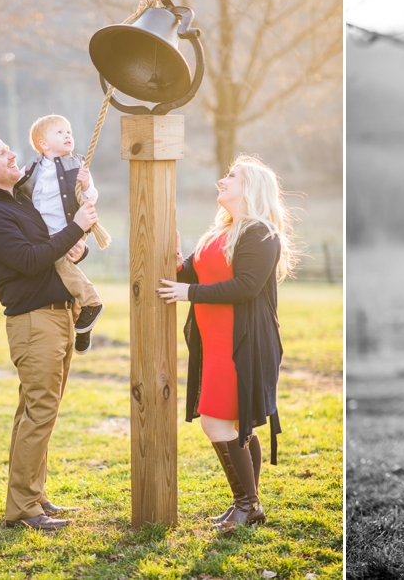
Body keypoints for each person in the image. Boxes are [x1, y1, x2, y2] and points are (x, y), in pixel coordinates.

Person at [0, 129, 98, 531]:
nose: (14, 155)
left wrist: (78, 243)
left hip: (55, 316)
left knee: (36, 414)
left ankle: (33, 496)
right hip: (34, 322)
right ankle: (23, 510)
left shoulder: (15, 201)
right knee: (38, 414)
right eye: (4, 154)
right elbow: (29, 259)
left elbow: (51, 248)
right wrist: (75, 227)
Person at [157, 155, 297, 532]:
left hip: (244, 343)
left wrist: (189, 291)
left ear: (249, 188)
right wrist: (173, 259)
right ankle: (248, 504)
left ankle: (247, 504)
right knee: (234, 423)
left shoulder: (261, 233)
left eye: (231, 176)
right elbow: (187, 273)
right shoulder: (218, 233)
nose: (223, 180)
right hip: (215, 342)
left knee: (218, 422)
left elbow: (246, 286)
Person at [16, 114, 104, 354]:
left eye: (70, 132)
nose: (68, 136)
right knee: (62, 276)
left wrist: (86, 186)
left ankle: (92, 302)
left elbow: (90, 199)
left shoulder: (77, 165)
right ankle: (82, 326)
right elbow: (17, 188)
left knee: (58, 263)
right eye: (60, 132)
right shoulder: (32, 166)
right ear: (43, 144)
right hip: (42, 234)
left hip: (67, 228)